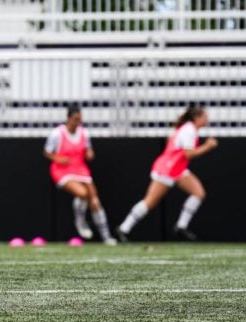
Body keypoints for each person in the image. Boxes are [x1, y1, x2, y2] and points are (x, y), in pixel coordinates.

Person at [116, 105, 219, 242]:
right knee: (150, 201)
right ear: (196, 117)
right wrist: (208, 146)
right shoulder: (188, 130)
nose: (207, 120)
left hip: (178, 169)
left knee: (198, 193)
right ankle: (123, 228)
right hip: (168, 169)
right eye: (205, 117)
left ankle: (181, 226)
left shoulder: (188, 129)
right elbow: (188, 154)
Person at [43, 105, 116, 245]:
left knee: (94, 200)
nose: (77, 123)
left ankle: (106, 236)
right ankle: (80, 220)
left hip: (80, 169)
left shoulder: (84, 133)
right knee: (82, 194)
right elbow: (47, 152)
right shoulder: (57, 133)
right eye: (75, 119)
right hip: (62, 170)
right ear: (68, 118)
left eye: (80, 120)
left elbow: (88, 150)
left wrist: (89, 154)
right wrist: (58, 158)